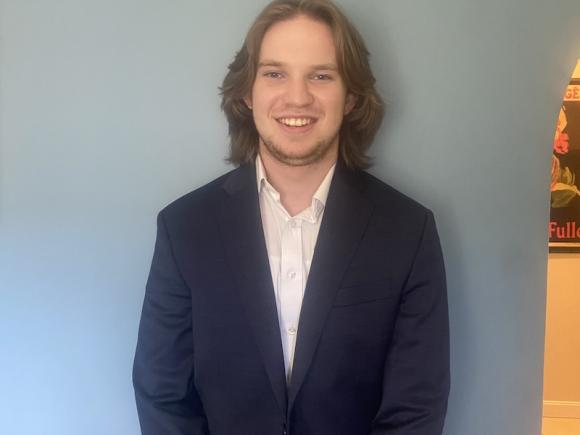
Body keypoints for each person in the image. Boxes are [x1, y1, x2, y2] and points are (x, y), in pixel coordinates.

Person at [132, 1, 450, 434]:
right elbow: (162, 395)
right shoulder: (184, 228)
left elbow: (416, 407)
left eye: (321, 75)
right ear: (247, 92)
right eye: (275, 73)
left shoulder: (408, 231)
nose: (297, 97)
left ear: (352, 95)